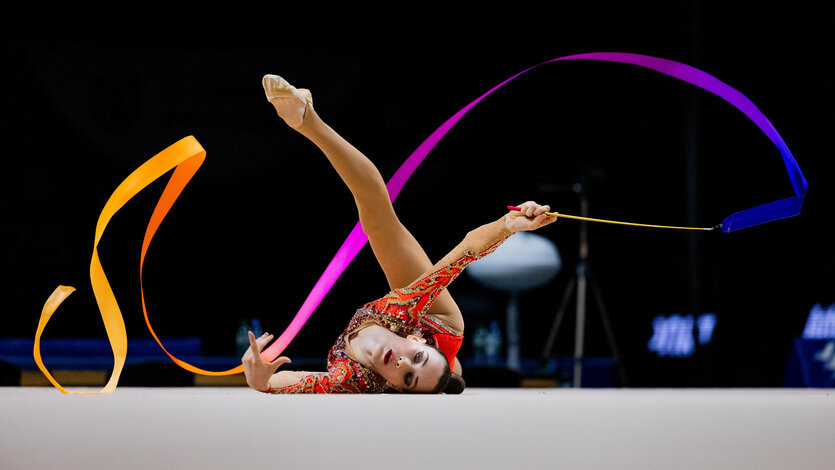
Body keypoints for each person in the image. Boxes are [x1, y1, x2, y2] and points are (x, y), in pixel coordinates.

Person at [241, 75, 556, 394]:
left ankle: (442, 373)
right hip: (439, 323)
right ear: (416, 340)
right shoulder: (405, 311)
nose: (403, 365)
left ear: (394, 387)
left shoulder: (353, 379)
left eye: (407, 379)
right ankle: (307, 119)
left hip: (421, 350)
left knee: (442, 374)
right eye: (416, 357)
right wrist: (509, 225)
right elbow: (466, 251)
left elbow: (286, 382)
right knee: (377, 214)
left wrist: (259, 380)